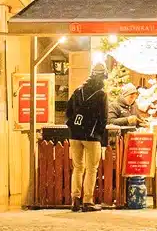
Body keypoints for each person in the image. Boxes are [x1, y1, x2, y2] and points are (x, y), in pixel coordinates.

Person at [65, 63, 108, 212]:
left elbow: (68, 111)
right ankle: (87, 201)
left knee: (77, 167)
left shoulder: (78, 90)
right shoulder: (101, 94)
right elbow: (103, 119)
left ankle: (75, 199)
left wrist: (73, 126)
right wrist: (100, 136)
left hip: (75, 134)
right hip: (91, 136)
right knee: (91, 169)